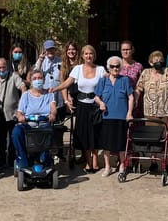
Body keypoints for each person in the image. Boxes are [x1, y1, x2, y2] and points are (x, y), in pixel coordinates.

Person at [53, 44, 105, 173]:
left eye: (91, 53)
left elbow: (109, 82)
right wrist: (55, 89)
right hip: (82, 105)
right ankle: (88, 161)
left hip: (96, 106)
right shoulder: (77, 69)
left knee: (95, 133)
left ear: (94, 55)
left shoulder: (100, 69)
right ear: (82, 56)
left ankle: (95, 161)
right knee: (84, 133)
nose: (88, 56)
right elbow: (67, 82)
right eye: (86, 54)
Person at [135, 50, 168, 172]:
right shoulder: (145, 73)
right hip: (150, 111)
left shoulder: (167, 72)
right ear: (150, 62)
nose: (158, 63)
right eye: (156, 61)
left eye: (160, 60)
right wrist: (136, 99)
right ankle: (153, 162)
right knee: (152, 139)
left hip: (166, 111)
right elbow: (139, 88)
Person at [95, 56, 134, 177]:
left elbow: (131, 97)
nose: (115, 68)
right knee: (106, 143)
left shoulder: (125, 80)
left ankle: (122, 165)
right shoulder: (103, 80)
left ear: (120, 67)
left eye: (117, 66)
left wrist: (129, 113)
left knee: (121, 143)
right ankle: (107, 167)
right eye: (112, 66)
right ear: (108, 67)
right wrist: (101, 103)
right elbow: (96, 97)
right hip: (107, 116)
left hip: (122, 116)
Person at [12, 70, 56, 169]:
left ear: (44, 80)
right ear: (31, 81)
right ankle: (23, 160)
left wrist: (53, 114)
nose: (37, 80)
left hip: (43, 123)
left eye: (40, 78)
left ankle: (43, 159)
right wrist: (20, 117)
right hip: (28, 124)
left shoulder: (49, 94)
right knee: (16, 132)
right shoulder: (26, 95)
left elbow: (53, 107)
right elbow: (19, 111)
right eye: (35, 78)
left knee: (50, 131)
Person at [0, 56, 26, 169]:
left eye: (3, 67)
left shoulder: (13, 76)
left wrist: (23, 100)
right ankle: (1, 161)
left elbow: (22, 86)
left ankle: (12, 160)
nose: (2, 69)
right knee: (1, 139)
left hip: (13, 114)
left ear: (7, 67)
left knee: (13, 139)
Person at [119, 41, 143, 116]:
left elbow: (141, 84)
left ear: (132, 50)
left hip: (134, 98)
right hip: (119, 99)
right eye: (123, 50)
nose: (125, 52)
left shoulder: (138, 66)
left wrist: (136, 97)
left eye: (127, 49)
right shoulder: (116, 65)